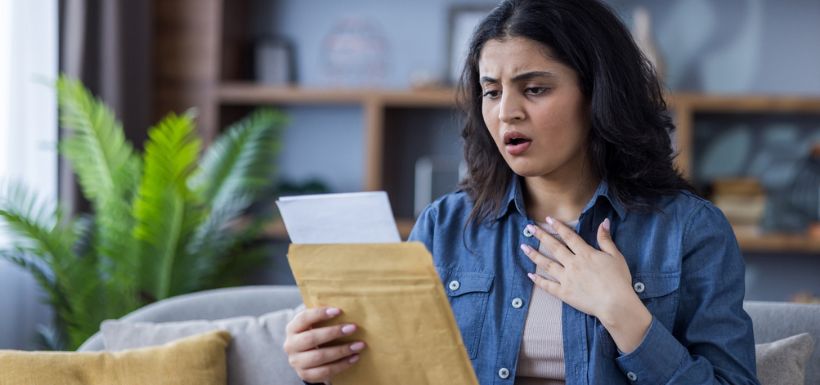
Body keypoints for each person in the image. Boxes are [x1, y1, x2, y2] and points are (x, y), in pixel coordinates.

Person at [283, 0, 760, 383]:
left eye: (534, 89)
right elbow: (400, 371)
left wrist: (623, 315)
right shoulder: (444, 227)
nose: (506, 112)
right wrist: (324, 364)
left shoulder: (690, 230)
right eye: (491, 91)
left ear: (598, 94)